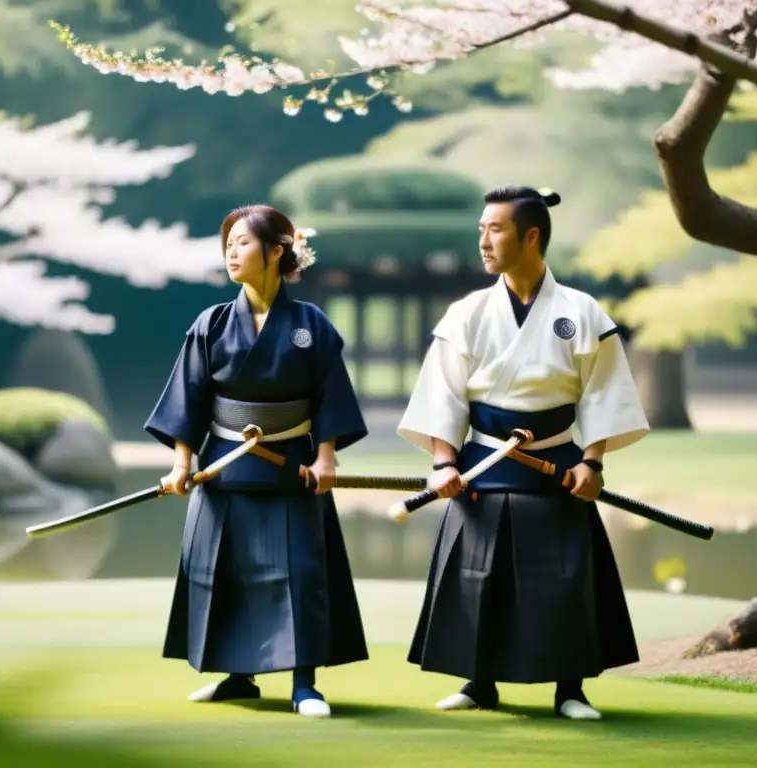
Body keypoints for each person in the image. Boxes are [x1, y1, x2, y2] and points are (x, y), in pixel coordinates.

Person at [396, 185, 649, 720]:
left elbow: (604, 393)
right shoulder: (467, 312)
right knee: (477, 577)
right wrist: (444, 463)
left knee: (563, 580)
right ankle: (478, 681)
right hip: (482, 465)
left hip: (556, 463)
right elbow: (444, 395)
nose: (483, 241)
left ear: (531, 236)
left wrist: (593, 463)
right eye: (481, 229)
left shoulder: (581, 311)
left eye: (495, 229)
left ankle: (570, 689)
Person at [144, 204, 369, 719]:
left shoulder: (311, 324)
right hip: (223, 466)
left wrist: (327, 458)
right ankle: (237, 677)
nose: (230, 251)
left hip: (292, 466)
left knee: (300, 574)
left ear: (276, 252)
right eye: (228, 243)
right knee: (224, 571)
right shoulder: (213, 323)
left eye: (242, 242)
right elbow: (189, 398)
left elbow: (330, 397)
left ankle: (304, 684)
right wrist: (183, 464)